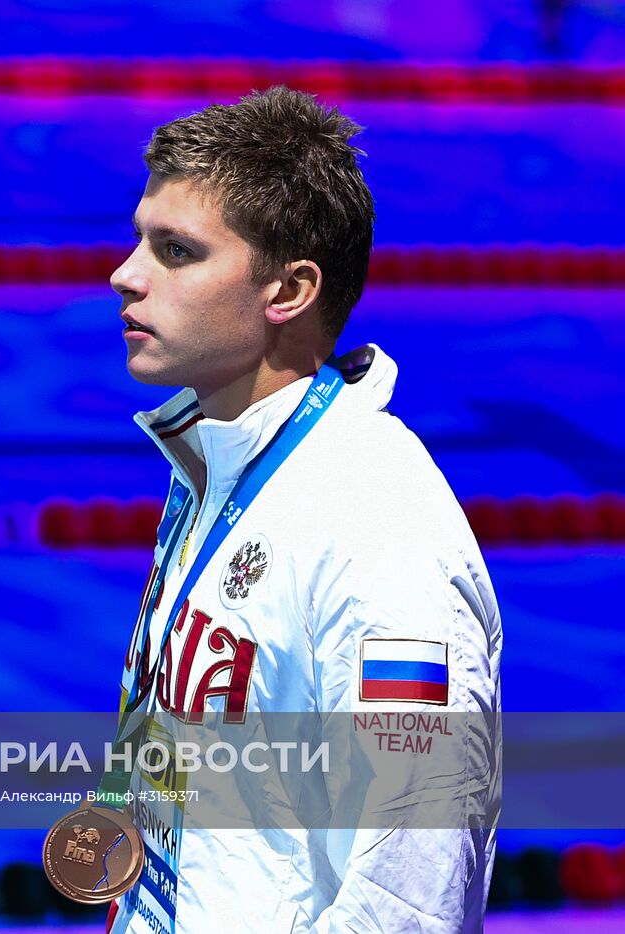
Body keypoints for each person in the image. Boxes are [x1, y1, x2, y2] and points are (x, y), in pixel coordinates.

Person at [105, 86, 502, 932]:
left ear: (288, 290)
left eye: (175, 251)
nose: (125, 274)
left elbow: (410, 896)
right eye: (141, 240)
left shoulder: (377, 530)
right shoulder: (222, 470)